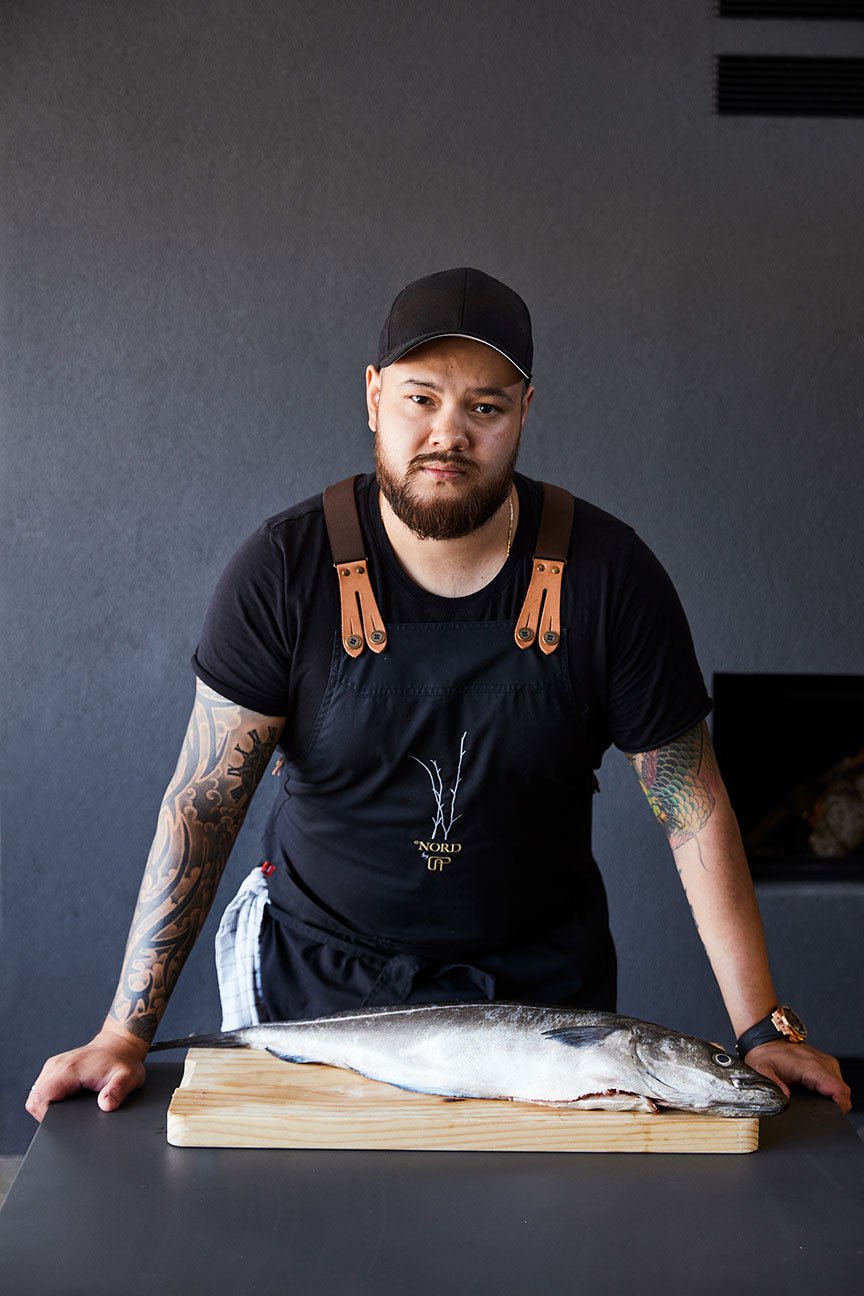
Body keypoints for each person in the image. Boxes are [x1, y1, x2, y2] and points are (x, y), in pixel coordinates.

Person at [27, 267, 850, 1122]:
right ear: (374, 396)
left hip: (542, 999)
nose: (446, 434)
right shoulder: (283, 570)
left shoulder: (610, 577)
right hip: (322, 985)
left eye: (483, 408)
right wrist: (125, 1031)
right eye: (421, 399)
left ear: (524, 409)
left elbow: (693, 806)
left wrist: (762, 1027)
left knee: (534, 1246)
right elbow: (203, 804)